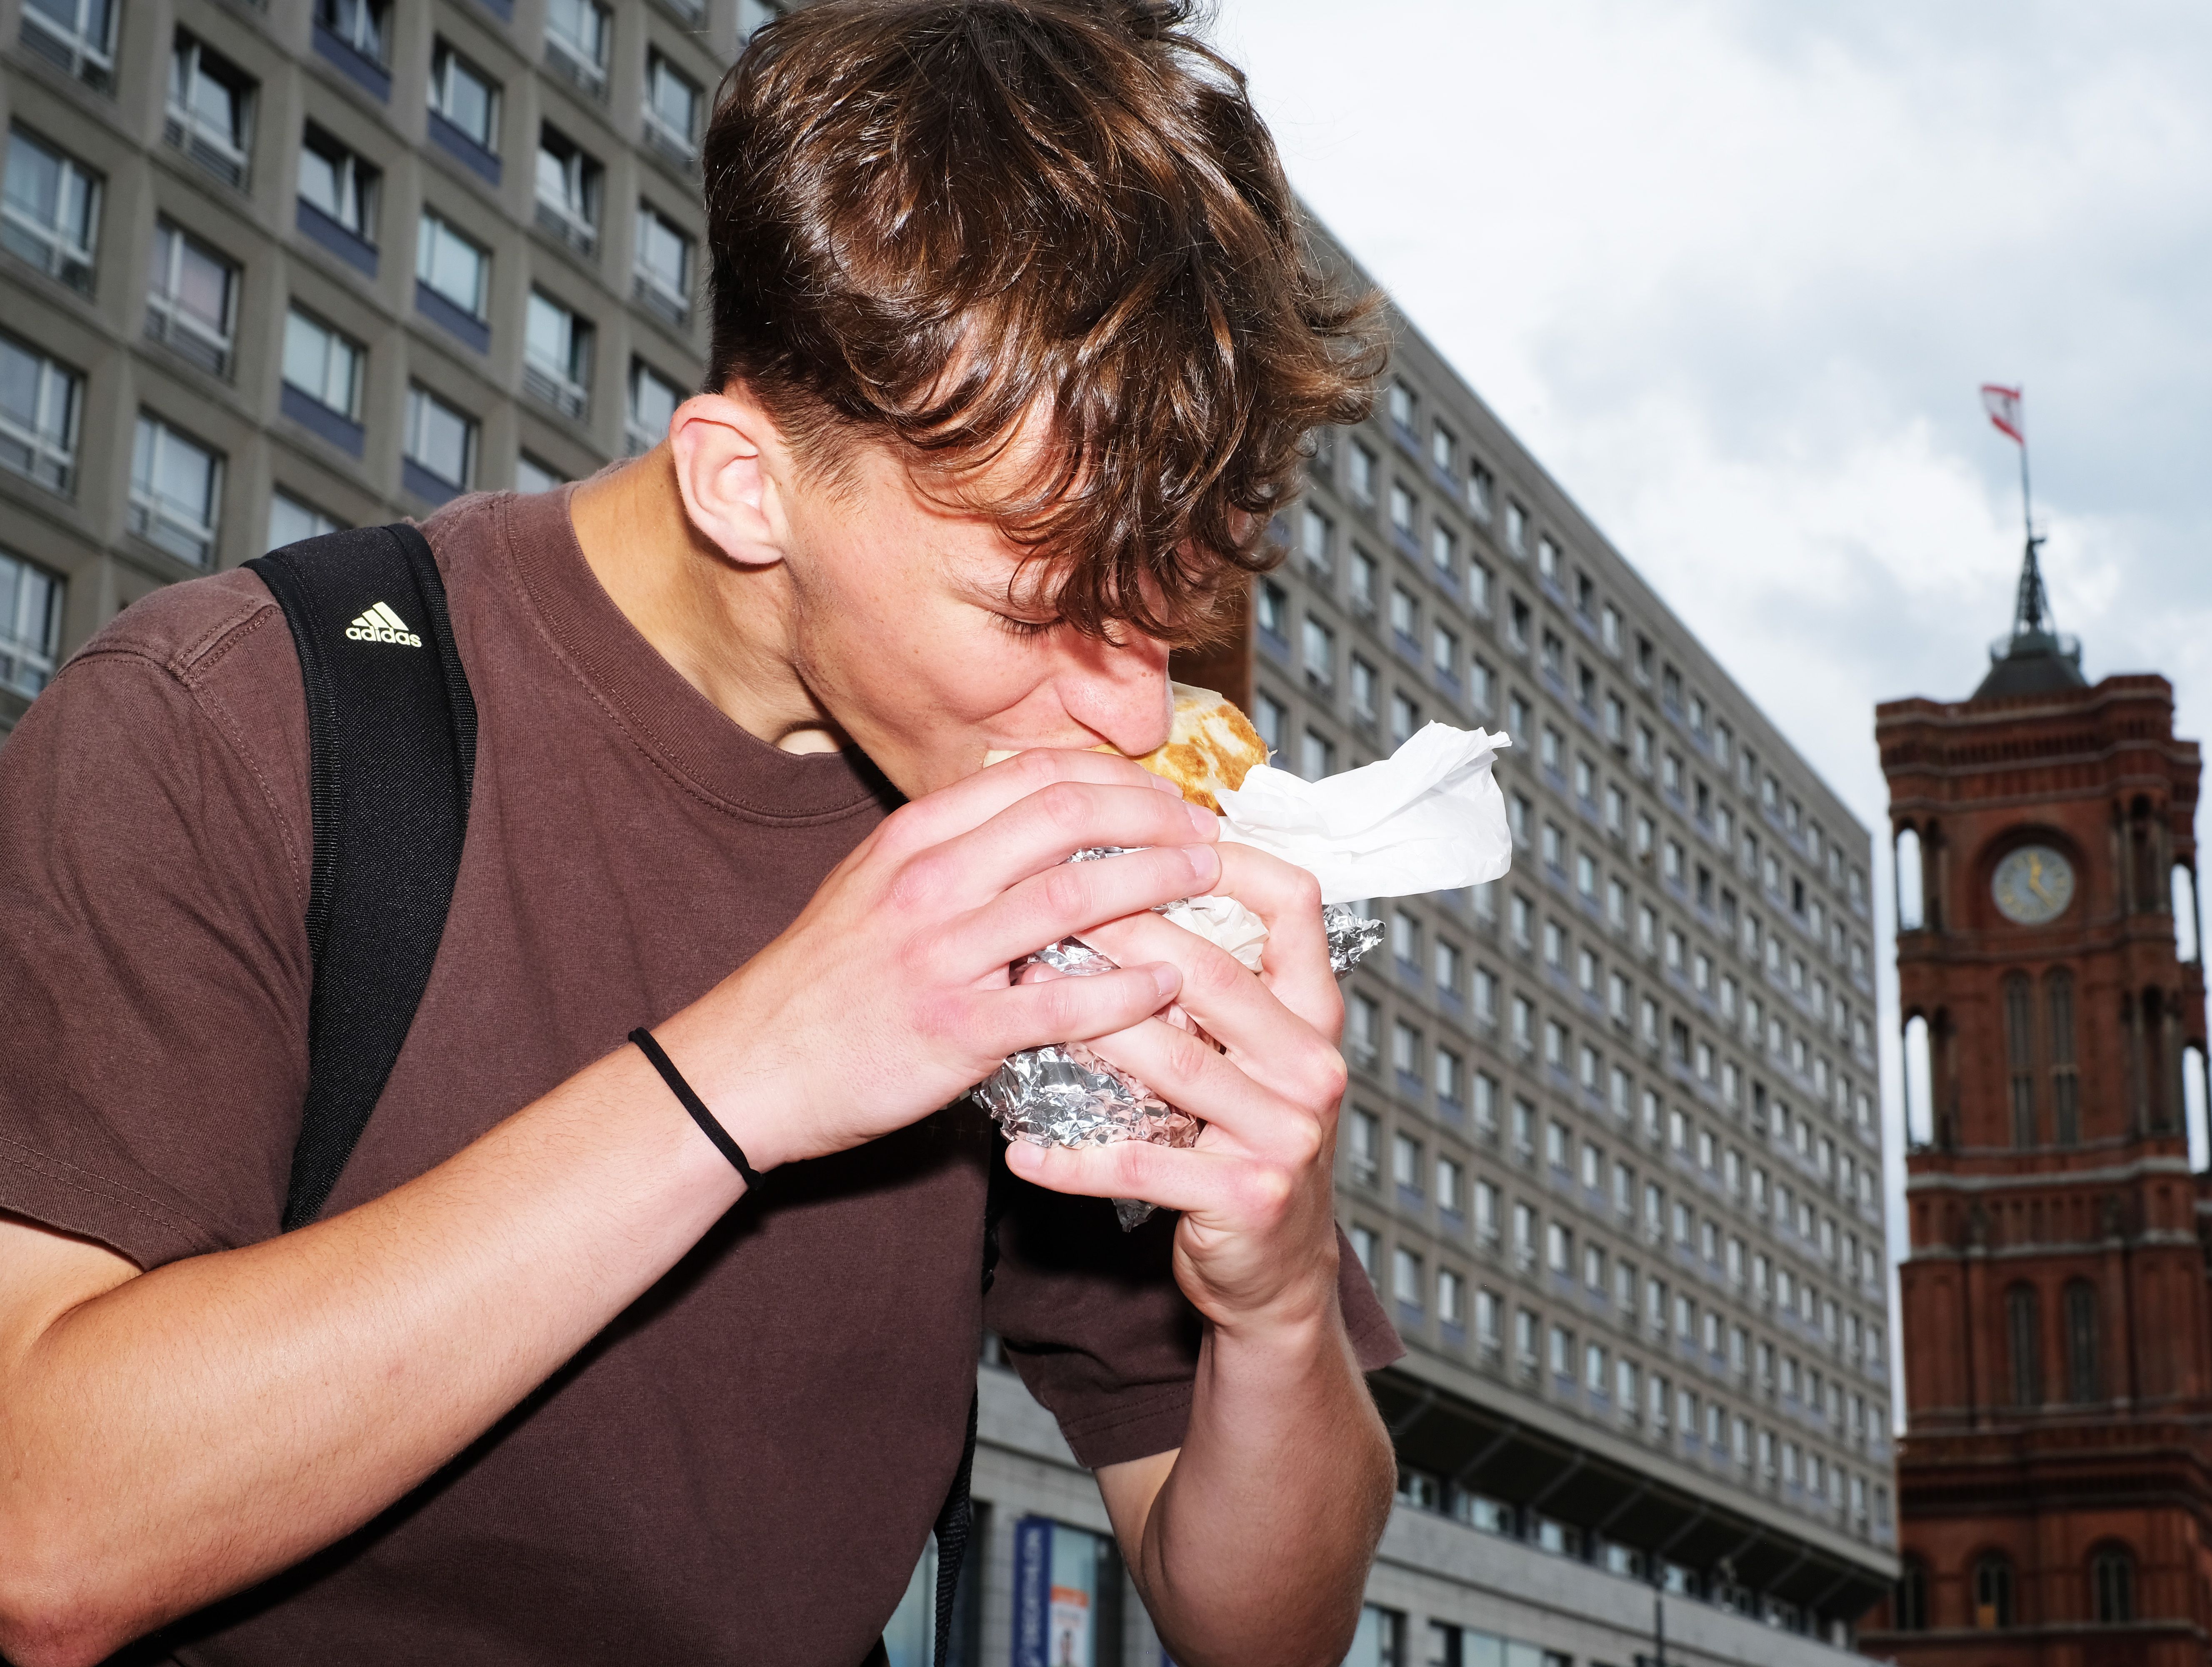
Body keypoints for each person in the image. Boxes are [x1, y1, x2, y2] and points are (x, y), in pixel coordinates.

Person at [0, 3, 1400, 1663]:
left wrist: (1282, 1302)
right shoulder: (231, 717)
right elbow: (44, 1532)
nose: (1123, 714)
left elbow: (1265, 1629)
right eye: (1039, 613)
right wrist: (747, 1074)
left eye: (1163, 611)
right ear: (742, 485)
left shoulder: (1058, 865)